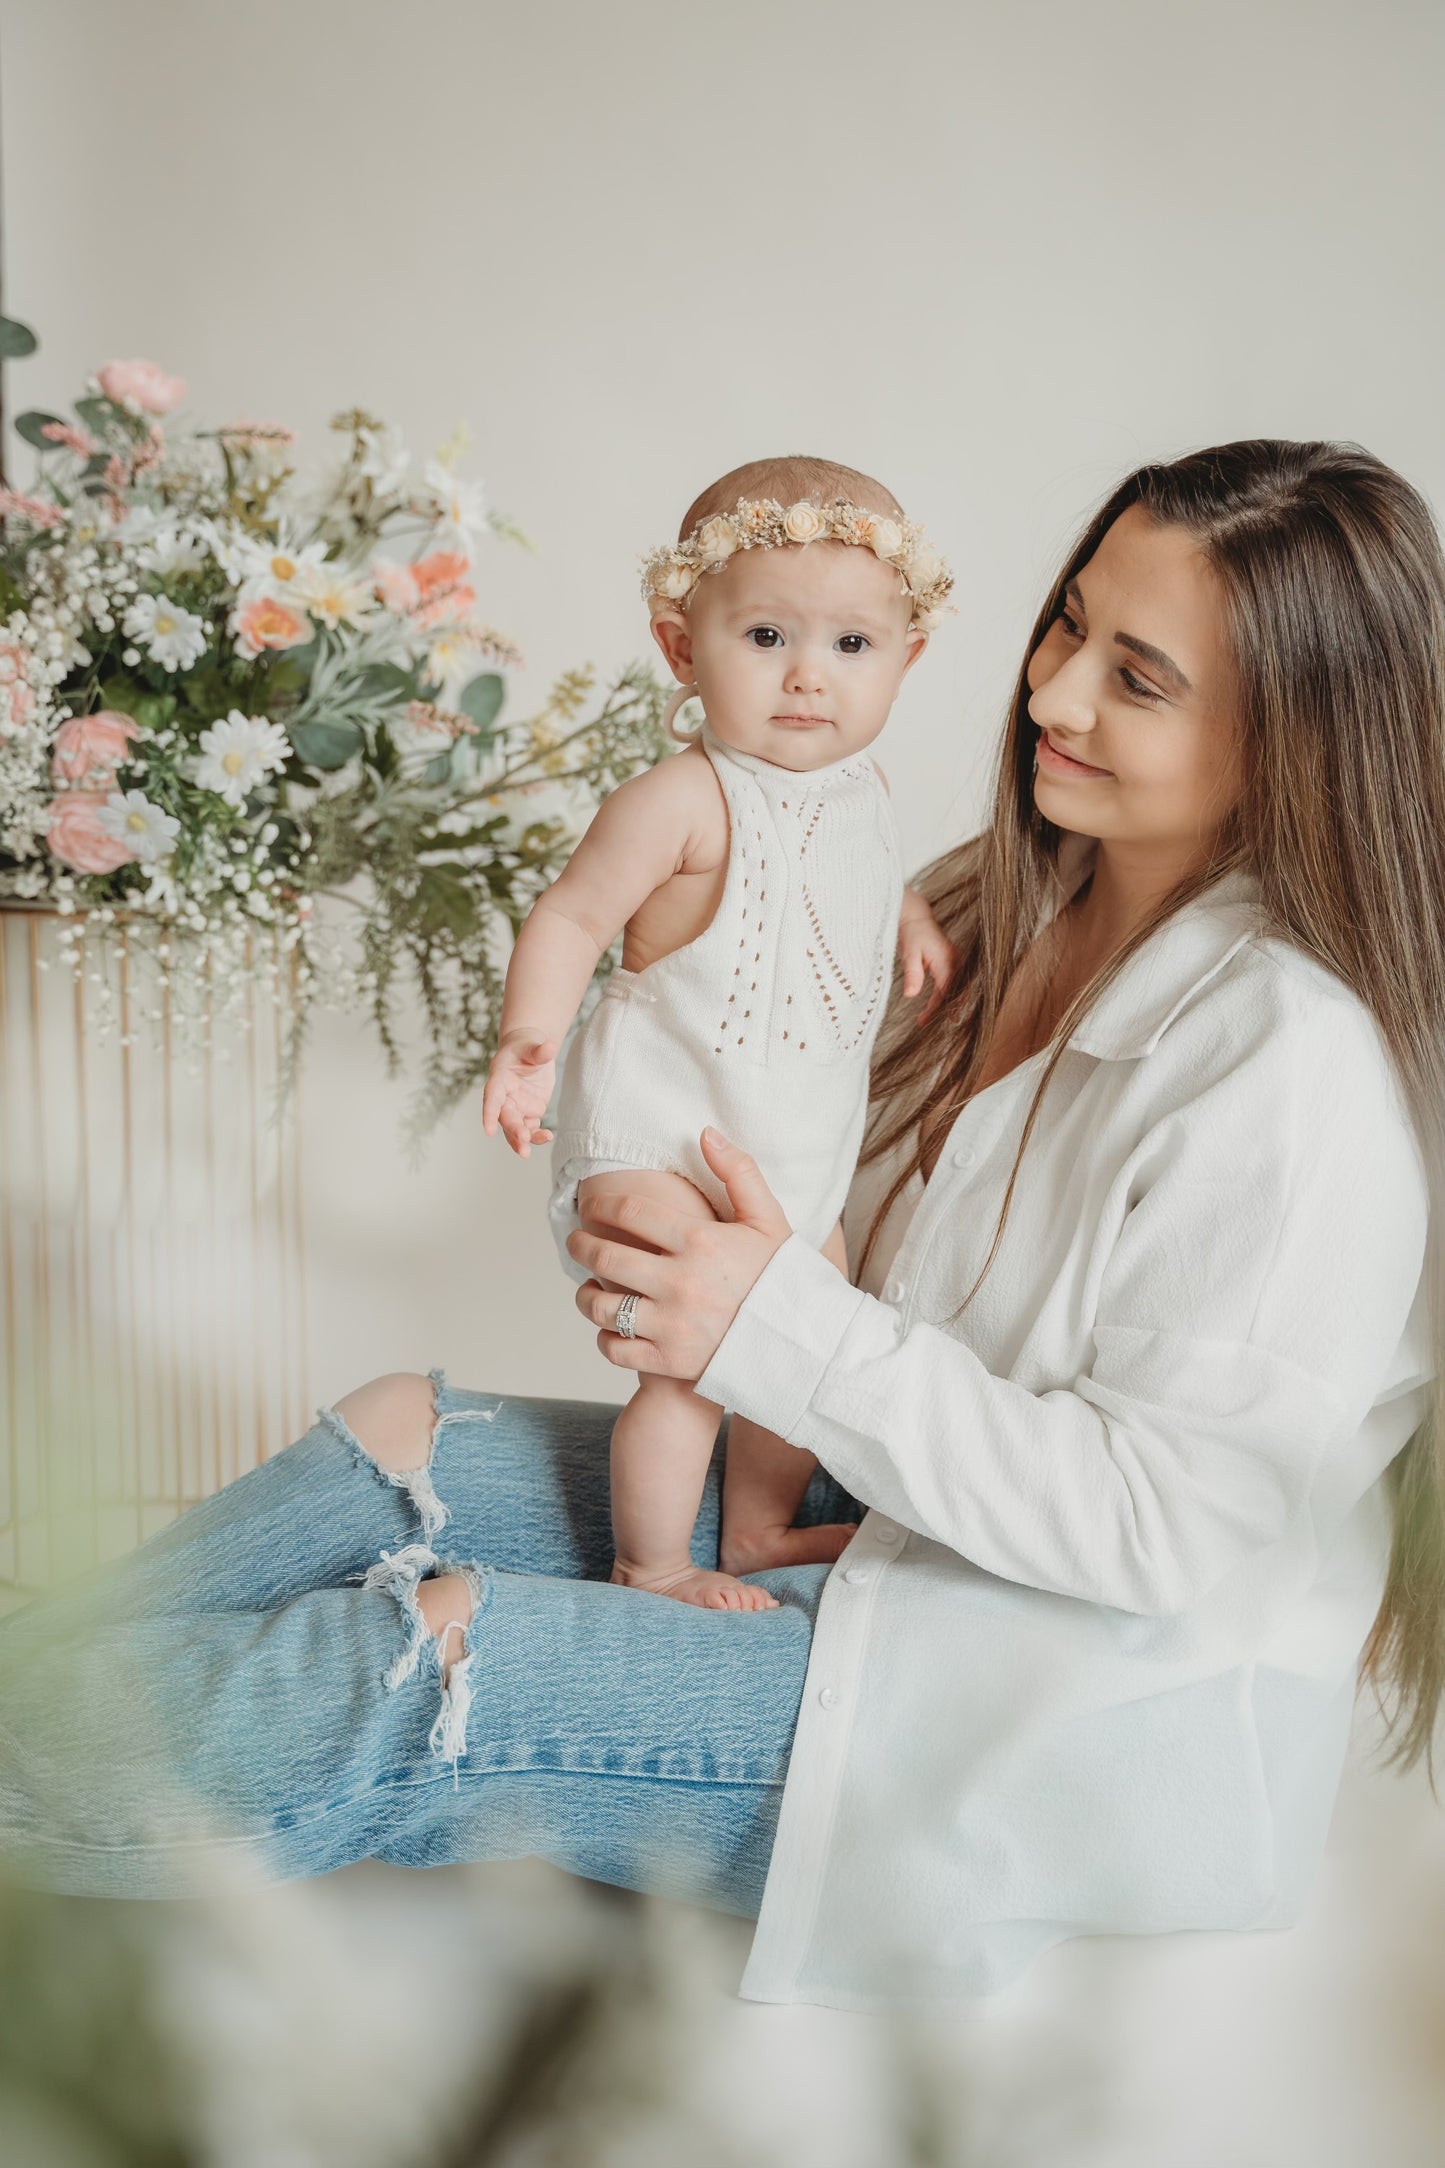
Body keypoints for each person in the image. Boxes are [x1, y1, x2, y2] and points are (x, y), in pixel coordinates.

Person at [1, 440, 1441, 2015]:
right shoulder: (981, 904)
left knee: (422, 1660)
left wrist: (760, 1316)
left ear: (1291, 738)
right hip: (877, 1521)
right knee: (394, 1431)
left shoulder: (1290, 1069)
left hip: (1025, 1698)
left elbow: (1167, 1534)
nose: (1056, 696)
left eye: (1139, 678)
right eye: (1067, 625)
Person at [481, 456, 956, 1609]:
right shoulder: (679, 798)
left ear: (905, 655)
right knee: (694, 1363)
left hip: (796, 1149)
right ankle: (649, 1563)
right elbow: (571, 912)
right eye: (763, 638)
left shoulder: (865, 790)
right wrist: (528, 1042)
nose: (807, 678)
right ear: (681, 647)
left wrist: (903, 913)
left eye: (850, 645)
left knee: (805, 1340)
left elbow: (847, 869)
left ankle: (750, 1531)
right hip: (660, 1145)